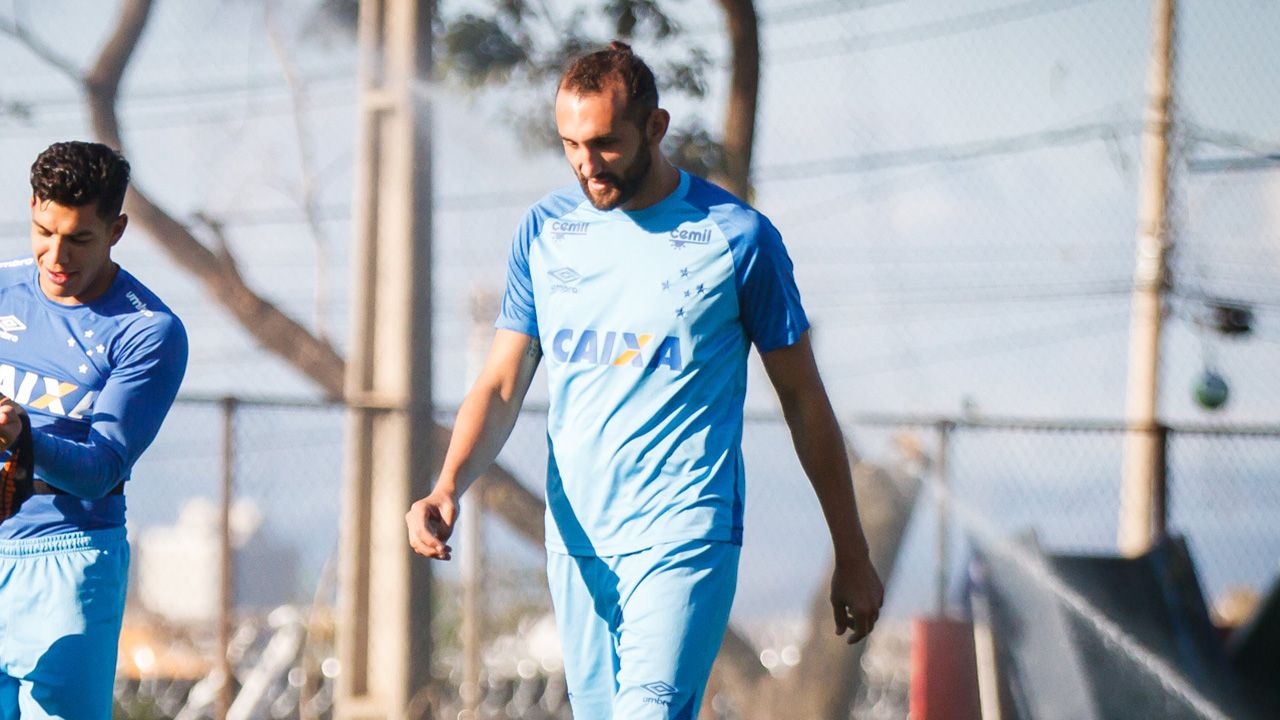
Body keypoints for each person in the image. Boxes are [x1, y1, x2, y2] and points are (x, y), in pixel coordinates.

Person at [406, 42, 882, 718]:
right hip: (578, 541)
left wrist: (853, 553)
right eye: (570, 144)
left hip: (686, 530)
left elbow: (805, 401)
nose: (585, 164)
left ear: (655, 130)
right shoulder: (544, 233)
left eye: (604, 144)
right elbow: (503, 383)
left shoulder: (737, 239)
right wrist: (448, 483)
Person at [0, 141, 188, 718]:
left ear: (117, 229)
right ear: (33, 206)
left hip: (68, 559)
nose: (55, 255)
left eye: (79, 238)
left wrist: (20, 436)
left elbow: (102, 469)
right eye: (43, 231)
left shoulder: (148, 331)